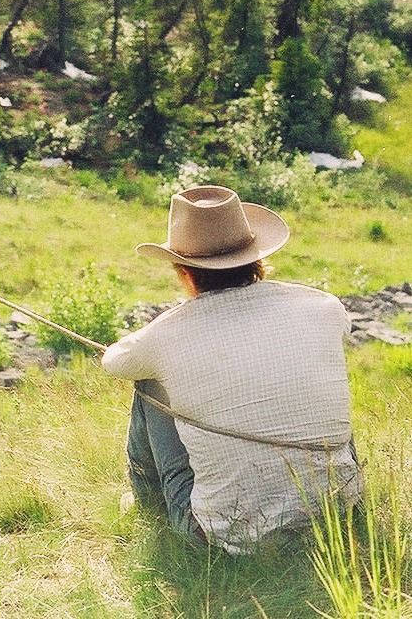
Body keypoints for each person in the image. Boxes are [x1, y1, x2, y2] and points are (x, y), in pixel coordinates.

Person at [102, 184, 362, 553]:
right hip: (339, 516)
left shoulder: (166, 333)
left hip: (227, 537)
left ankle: (149, 508)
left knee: (148, 384)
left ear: (185, 273)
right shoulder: (322, 307)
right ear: (256, 257)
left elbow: (114, 362)